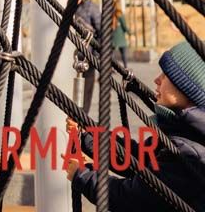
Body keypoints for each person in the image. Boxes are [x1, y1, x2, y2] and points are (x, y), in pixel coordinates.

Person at [66, 39, 205, 211]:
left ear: (187, 88)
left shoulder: (189, 153)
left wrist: (82, 176)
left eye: (166, 75)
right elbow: (137, 158)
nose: (157, 80)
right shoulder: (183, 131)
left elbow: (133, 198)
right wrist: (88, 136)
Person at [74, 0, 102, 112]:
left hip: (90, 56)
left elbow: (101, 31)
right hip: (80, 54)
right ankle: (79, 113)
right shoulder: (77, 7)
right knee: (79, 87)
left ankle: (84, 114)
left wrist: (97, 55)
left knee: (87, 88)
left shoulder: (92, 8)